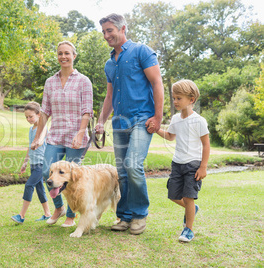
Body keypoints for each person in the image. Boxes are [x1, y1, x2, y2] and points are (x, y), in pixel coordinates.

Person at [96, 13, 164, 235]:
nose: (106, 35)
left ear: (122, 28)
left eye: (110, 30)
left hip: (142, 118)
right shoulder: (109, 63)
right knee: (123, 172)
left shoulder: (141, 51)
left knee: (133, 165)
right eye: (104, 31)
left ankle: (139, 215)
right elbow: (109, 97)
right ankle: (124, 216)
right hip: (119, 122)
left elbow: (157, 83)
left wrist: (158, 116)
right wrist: (100, 121)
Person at [31, 41, 93, 227]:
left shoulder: (84, 81)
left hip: (76, 137)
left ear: (74, 56)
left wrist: (81, 133)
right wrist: (37, 138)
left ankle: (71, 215)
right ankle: (59, 208)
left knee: (73, 177)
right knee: (45, 171)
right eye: (60, 53)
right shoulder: (50, 82)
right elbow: (45, 112)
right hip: (56, 136)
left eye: (67, 53)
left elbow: (87, 111)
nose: (63, 56)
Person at [154, 80, 210, 242]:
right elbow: (171, 137)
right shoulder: (175, 119)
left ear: (191, 99)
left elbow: (206, 145)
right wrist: (156, 130)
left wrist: (203, 167)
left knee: (189, 196)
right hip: (177, 164)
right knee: (173, 194)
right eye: (174, 98)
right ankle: (192, 209)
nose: (175, 101)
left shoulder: (199, 121)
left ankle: (188, 230)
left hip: (193, 164)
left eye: (179, 98)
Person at [11, 102, 52, 224]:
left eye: (31, 116)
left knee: (29, 185)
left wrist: (38, 143)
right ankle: (47, 214)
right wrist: (25, 162)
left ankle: (21, 216)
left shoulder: (43, 127)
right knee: (40, 189)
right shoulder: (31, 129)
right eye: (26, 117)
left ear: (39, 114)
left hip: (41, 164)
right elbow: (30, 147)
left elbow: (40, 140)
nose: (28, 119)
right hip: (33, 164)